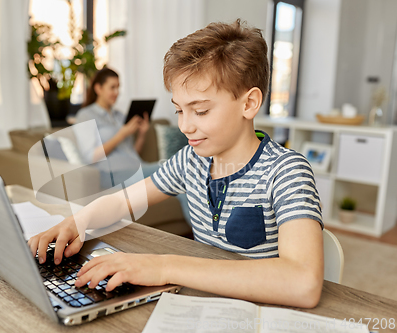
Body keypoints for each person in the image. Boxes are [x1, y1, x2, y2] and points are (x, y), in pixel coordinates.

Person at [29, 20, 324, 308]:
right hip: (206, 305)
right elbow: (123, 202)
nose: (185, 126)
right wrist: (76, 223)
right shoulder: (191, 161)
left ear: (248, 104)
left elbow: (303, 283)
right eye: (179, 110)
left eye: (201, 111)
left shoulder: (286, 172)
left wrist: (165, 267)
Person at [73, 68, 158, 187]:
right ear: (98, 88)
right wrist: (121, 134)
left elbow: (131, 153)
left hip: (137, 167)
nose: (117, 92)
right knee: (169, 169)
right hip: (111, 174)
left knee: (175, 172)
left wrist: (142, 135)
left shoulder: (120, 116)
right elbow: (90, 157)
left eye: (118, 87)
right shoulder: (85, 115)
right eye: (112, 87)